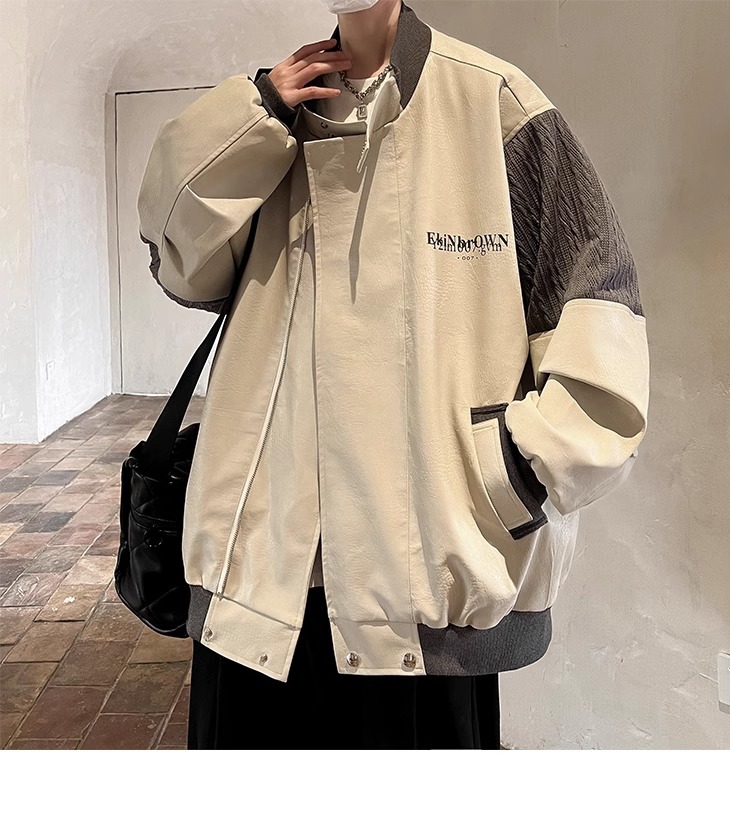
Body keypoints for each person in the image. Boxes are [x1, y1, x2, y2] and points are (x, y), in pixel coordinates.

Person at [137, 0, 649, 750]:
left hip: (427, 595)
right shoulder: (272, 120)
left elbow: (599, 309)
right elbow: (179, 261)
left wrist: (506, 479)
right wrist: (256, 112)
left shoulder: (492, 102)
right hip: (261, 575)